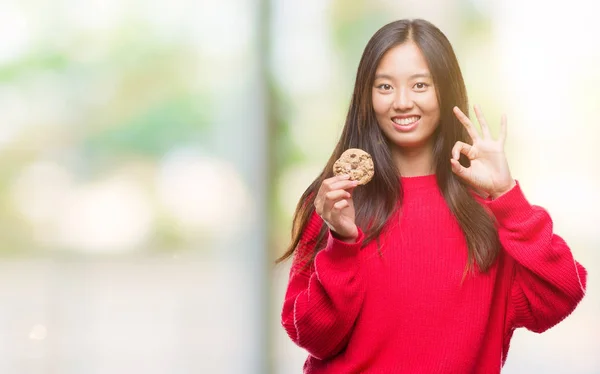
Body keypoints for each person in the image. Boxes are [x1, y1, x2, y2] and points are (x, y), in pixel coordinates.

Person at [276, 18, 587, 373]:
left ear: (446, 91)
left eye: (420, 85)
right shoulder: (334, 203)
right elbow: (312, 335)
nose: (403, 102)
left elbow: (562, 293)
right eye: (385, 87)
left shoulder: (486, 212)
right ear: (367, 96)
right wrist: (341, 242)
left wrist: (507, 196)